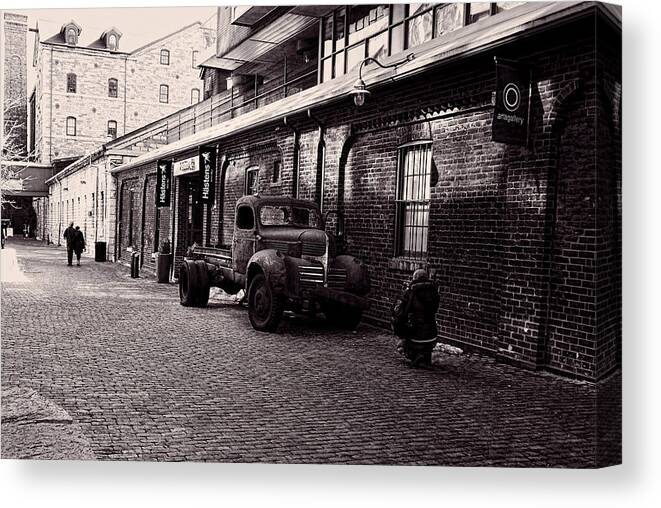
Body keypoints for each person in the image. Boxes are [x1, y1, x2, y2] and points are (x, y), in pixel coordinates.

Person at [391, 268, 440, 368]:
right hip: (432, 333)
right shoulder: (434, 291)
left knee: (399, 324)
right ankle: (424, 357)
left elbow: (401, 313)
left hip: (416, 332)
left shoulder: (411, 292)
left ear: (414, 278)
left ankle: (413, 353)